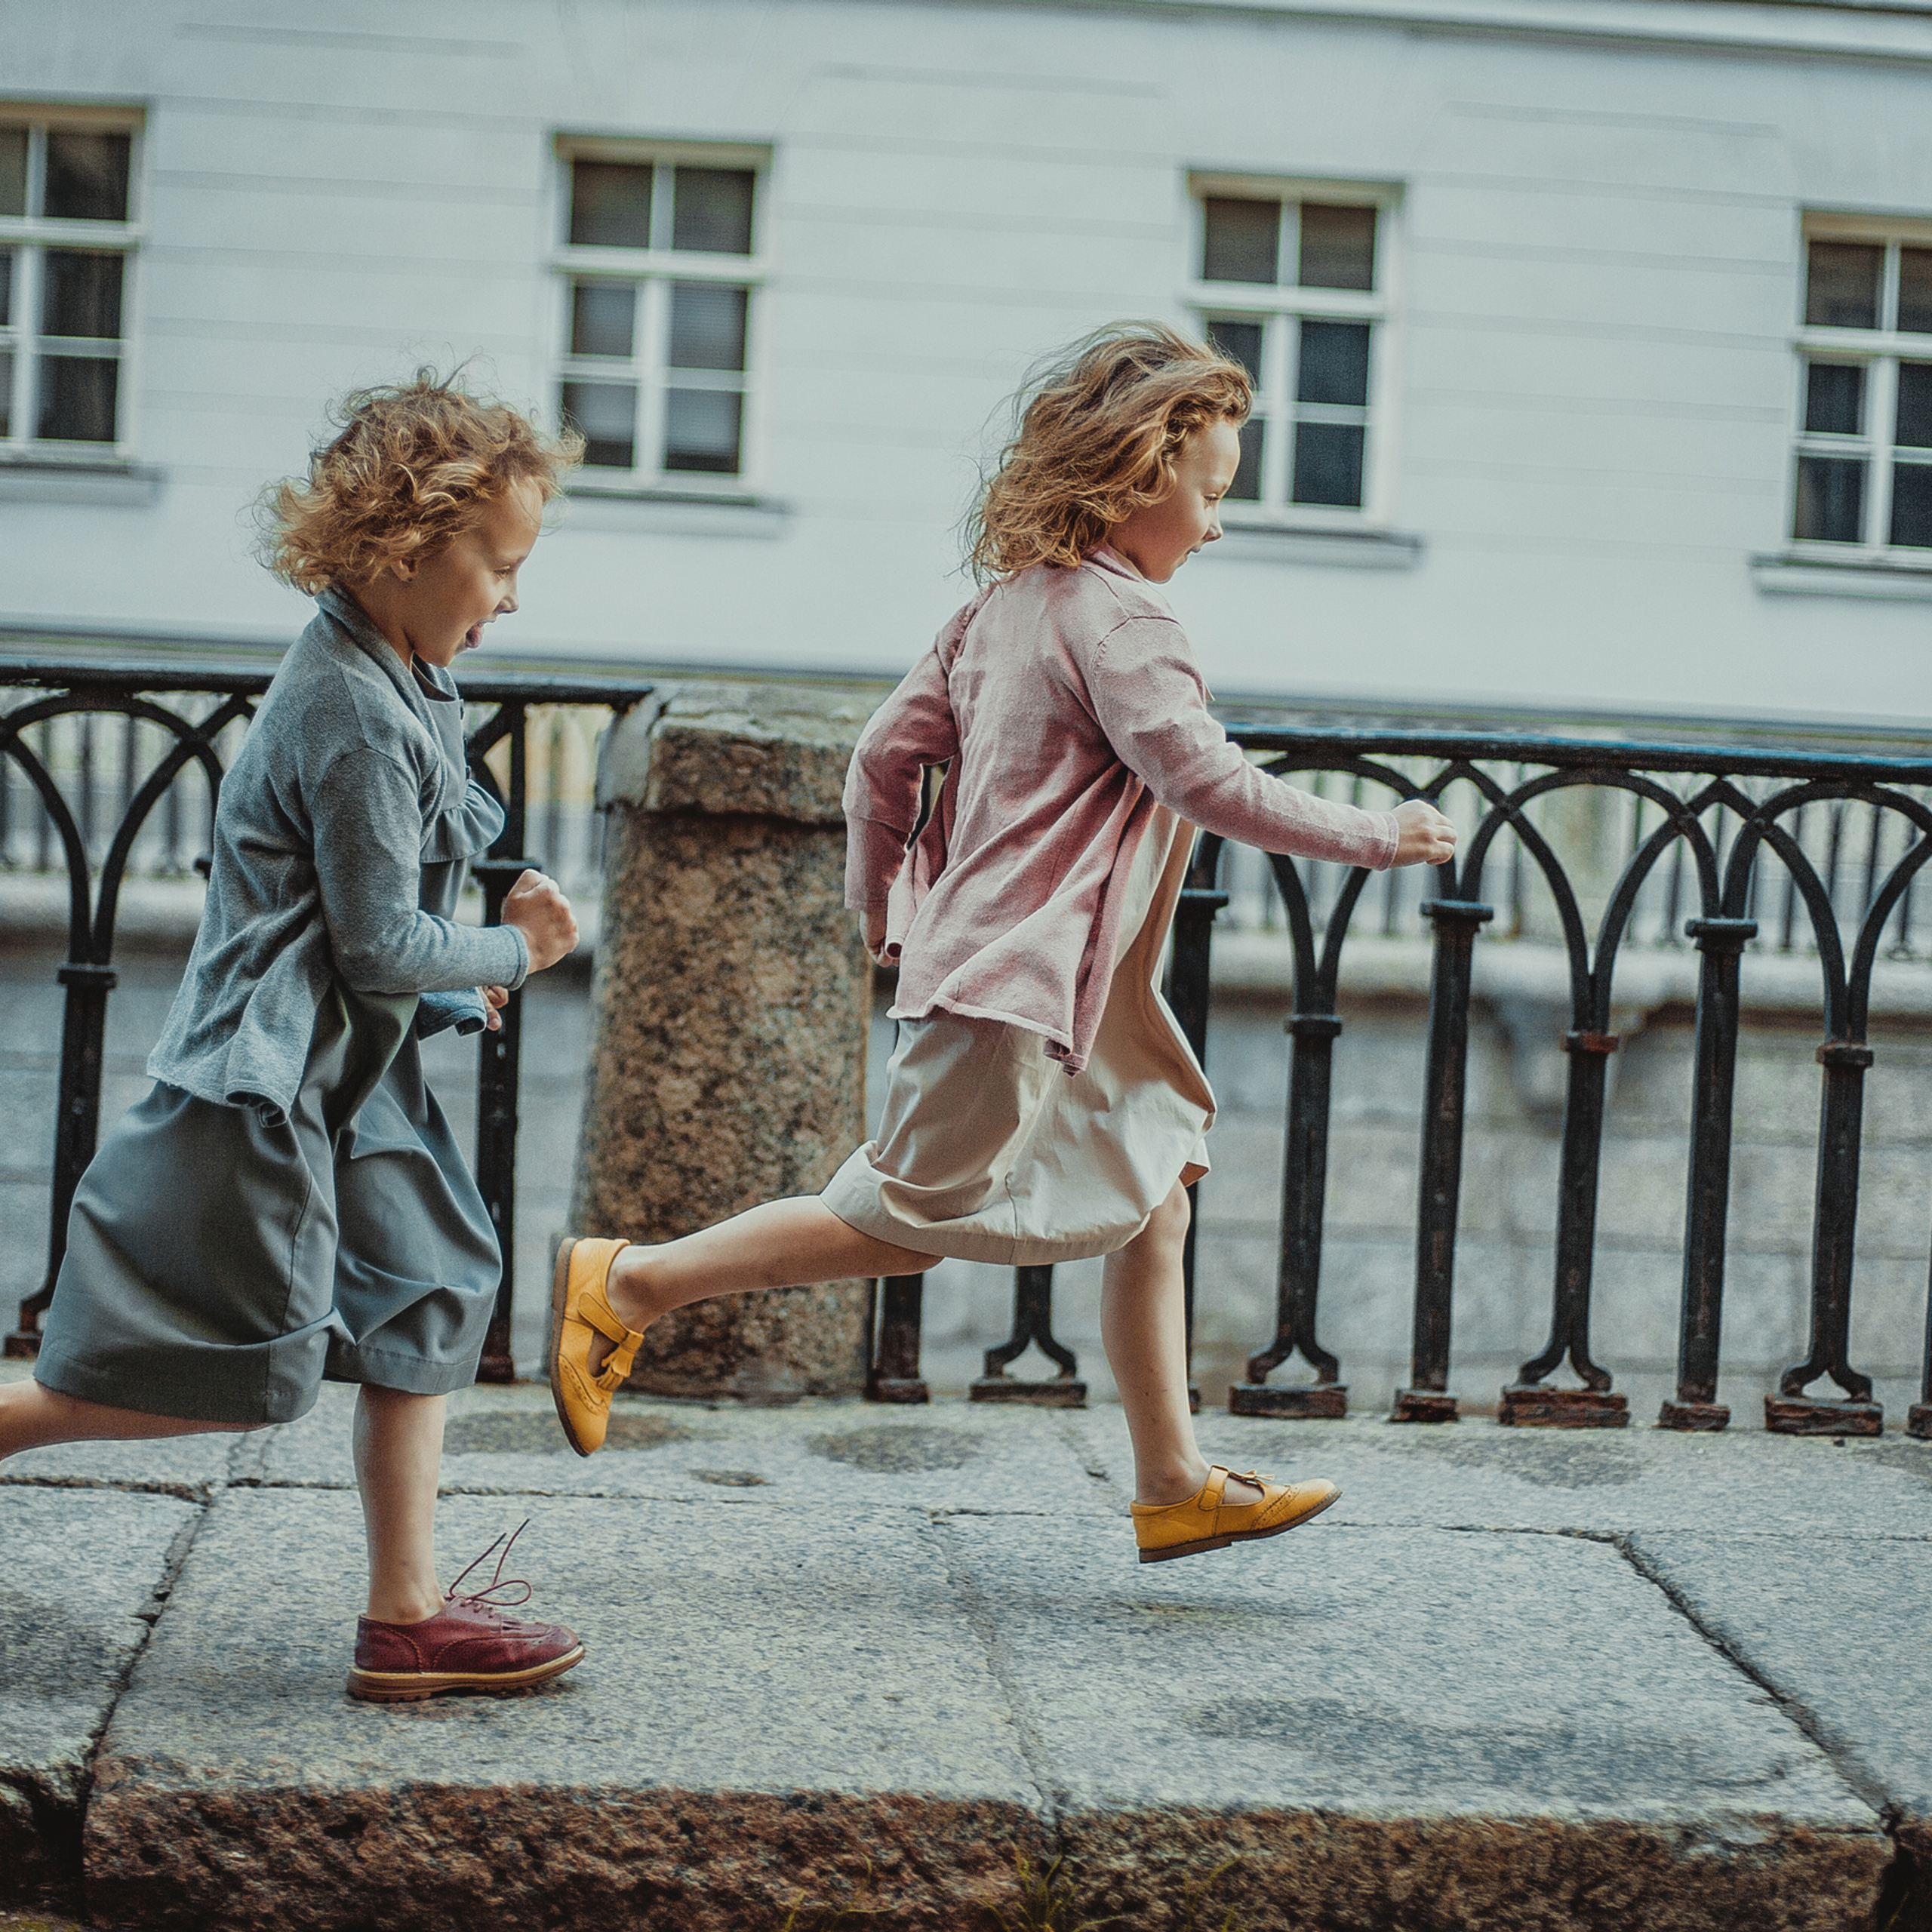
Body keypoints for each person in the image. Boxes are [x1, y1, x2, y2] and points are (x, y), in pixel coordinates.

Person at [551, 324, 1458, 1564]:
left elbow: (883, 759)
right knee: (901, 1220)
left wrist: (885, 908)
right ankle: (629, 1284)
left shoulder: (995, 610)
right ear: (1144, 476)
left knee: (1155, 1194)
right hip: (1021, 986)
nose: (1217, 523)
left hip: (1058, 988)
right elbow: (1202, 778)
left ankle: (1173, 1481)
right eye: (1212, 492)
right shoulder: (1129, 622)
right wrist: (1379, 833)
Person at [0, 372, 588, 1697]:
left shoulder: (394, 675)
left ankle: (407, 1618)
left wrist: (447, 992)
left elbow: (338, 934)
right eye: (499, 565)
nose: (510, 596)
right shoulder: (355, 709)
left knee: (435, 1283)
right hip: (264, 1087)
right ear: (404, 549)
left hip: (345, 1074)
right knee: (231, 1369)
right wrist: (516, 950)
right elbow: (376, 940)